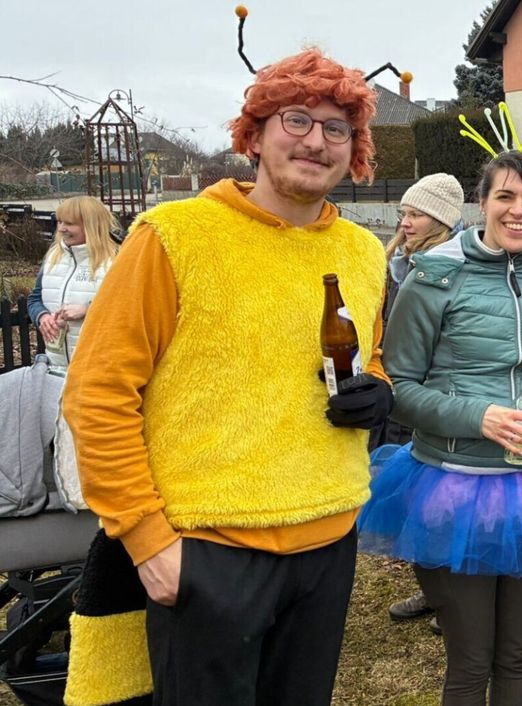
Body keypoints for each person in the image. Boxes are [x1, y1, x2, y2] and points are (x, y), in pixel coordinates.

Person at [62, 48, 393, 706]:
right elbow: (97, 396)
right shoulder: (174, 236)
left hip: (329, 539)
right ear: (257, 133)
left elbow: (368, 355)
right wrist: (148, 540)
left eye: (338, 129)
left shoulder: (361, 249)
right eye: (297, 119)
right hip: (210, 547)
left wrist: (375, 391)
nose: (316, 140)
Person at [358, 150, 522, 706]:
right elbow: (396, 390)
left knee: (516, 656)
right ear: (483, 203)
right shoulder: (435, 278)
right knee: (472, 662)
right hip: (455, 485)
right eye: (506, 196)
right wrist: (480, 418)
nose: (519, 211)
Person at [377, 173, 465, 634]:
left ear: (441, 220)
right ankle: (435, 591)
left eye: (414, 214)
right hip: (401, 392)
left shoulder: (451, 268)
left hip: (438, 400)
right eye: (403, 214)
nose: (405, 223)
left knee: (443, 504)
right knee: (414, 501)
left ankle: (454, 599)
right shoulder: (401, 263)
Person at [26, 195, 120, 372]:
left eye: (69, 223)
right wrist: (42, 317)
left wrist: (88, 309)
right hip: (56, 369)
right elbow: (34, 299)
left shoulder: (116, 260)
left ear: (91, 225)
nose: (61, 229)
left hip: (100, 369)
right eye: (59, 222)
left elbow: (129, 307)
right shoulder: (53, 257)